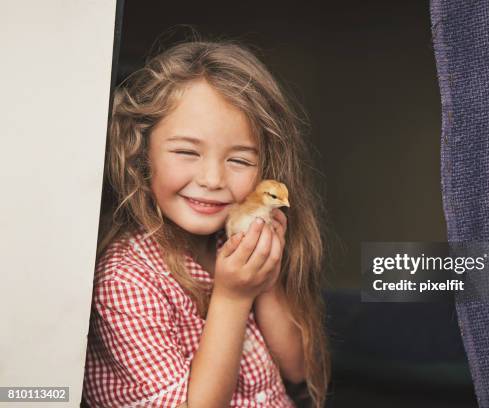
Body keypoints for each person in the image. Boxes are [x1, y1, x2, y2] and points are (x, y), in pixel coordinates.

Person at [82, 37, 330, 407]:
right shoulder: (125, 279)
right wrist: (232, 297)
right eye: (186, 152)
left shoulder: (235, 237)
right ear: (140, 153)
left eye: (240, 160)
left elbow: (299, 371)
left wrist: (264, 279)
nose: (213, 179)